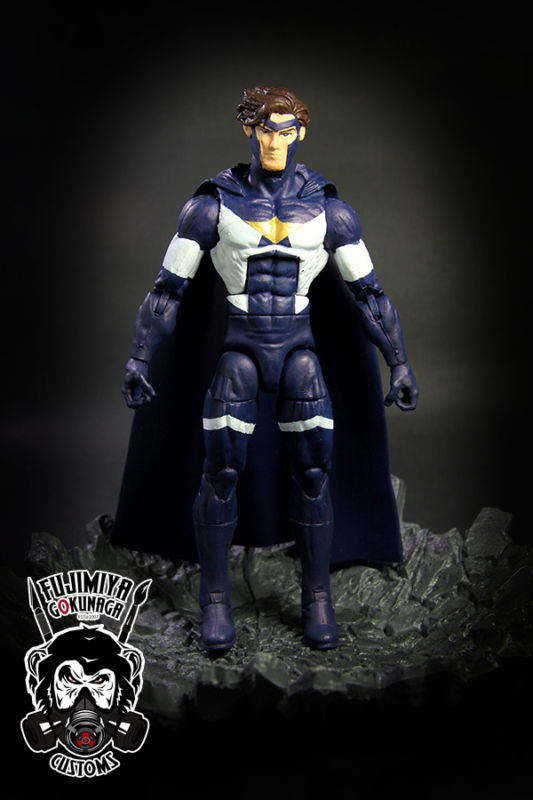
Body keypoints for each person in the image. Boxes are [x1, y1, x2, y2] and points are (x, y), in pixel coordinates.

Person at [121, 85, 419, 652]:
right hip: (240, 353)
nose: (275, 141)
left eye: (286, 130)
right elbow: (167, 290)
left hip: (299, 353)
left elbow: (370, 295)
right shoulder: (213, 206)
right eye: (266, 129)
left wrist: (398, 363)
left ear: (300, 132)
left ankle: (316, 597)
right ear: (250, 131)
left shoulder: (329, 211)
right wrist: (138, 356)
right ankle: (215, 600)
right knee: (220, 473)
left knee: (314, 473)